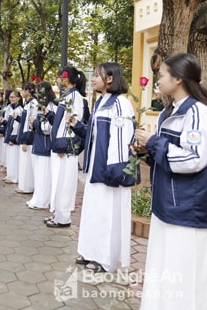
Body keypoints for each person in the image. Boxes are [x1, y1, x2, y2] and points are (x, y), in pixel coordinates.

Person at [134, 53, 207, 310]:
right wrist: (147, 152)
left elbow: (193, 159)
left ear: (178, 79)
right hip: (165, 205)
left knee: (182, 275)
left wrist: (153, 143)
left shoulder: (197, 112)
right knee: (163, 268)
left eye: (162, 75)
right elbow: (168, 156)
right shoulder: (168, 112)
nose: (158, 80)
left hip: (185, 209)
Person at [68, 62, 135, 273]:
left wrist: (115, 170)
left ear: (110, 78)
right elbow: (94, 135)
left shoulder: (121, 103)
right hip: (95, 168)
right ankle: (90, 251)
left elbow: (122, 139)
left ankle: (105, 259)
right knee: (93, 212)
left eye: (97, 75)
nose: (93, 78)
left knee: (107, 214)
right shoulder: (100, 102)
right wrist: (77, 127)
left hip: (109, 171)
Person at [45, 66, 86, 228]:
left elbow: (73, 122)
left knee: (65, 183)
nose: (57, 79)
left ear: (66, 78)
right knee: (59, 181)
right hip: (61, 146)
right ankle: (57, 214)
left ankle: (63, 218)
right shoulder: (68, 95)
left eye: (59, 76)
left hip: (66, 147)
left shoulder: (75, 97)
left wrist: (65, 145)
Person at [27, 81, 57, 210]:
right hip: (38, 144)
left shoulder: (51, 107)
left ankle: (43, 201)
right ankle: (37, 198)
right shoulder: (41, 107)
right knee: (39, 175)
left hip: (46, 145)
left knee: (44, 175)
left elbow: (48, 128)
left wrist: (35, 123)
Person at [15, 82, 38, 194]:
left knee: (27, 164)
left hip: (29, 138)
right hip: (25, 136)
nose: (22, 92)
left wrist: (25, 140)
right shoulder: (28, 103)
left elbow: (30, 124)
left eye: (23, 90)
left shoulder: (33, 103)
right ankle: (25, 186)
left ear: (28, 90)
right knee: (25, 163)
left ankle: (26, 187)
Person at [2, 91, 23, 184]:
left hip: (14, 137)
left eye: (13, 97)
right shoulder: (11, 108)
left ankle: (14, 177)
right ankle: (10, 175)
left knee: (14, 157)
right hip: (9, 134)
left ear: (18, 98)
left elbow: (17, 126)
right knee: (10, 157)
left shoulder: (19, 110)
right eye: (10, 97)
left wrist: (13, 138)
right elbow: (9, 124)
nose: (11, 99)